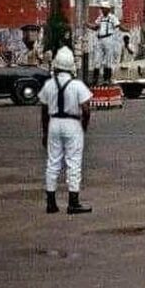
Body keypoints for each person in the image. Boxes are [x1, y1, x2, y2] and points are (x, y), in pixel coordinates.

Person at [39, 46, 93, 214]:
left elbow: (43, 111)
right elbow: (86, 109)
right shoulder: (77, 85)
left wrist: (45, 132)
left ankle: (51, 202)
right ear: (72, 66)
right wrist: (83, 127)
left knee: (53, 163)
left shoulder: (49, 85)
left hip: (54, 122)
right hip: (72, 123)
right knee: (73, 163)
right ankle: (73, 201)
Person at [88, 2, 121, 85]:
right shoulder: (100, 18)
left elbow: (118, 26)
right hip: (100, 39)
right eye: (101, 8)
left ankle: (107, 79)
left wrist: (125, 31)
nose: (102, 10)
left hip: (108, 39)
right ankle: (95, 79)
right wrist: (88, 25)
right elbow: (96, 27)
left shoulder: (112, 18)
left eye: (103, 8)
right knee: (97, 59)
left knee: (108, 60)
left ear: (108, 9)